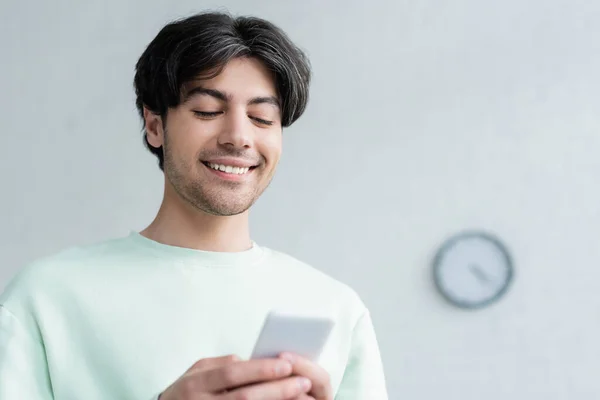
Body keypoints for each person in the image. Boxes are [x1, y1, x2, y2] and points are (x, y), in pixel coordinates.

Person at [0, 11, 388, 400]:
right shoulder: (46, 299)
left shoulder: (336, 309)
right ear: (155, 126)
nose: (239, 137)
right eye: (207, 111)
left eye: (261, 117)